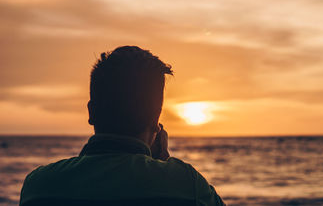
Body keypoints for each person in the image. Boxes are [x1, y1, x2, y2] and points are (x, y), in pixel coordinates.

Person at [19, 46, 225, 206]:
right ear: (156, 121)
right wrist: (163, 163)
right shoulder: (188, 187)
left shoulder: (38, 187)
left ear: (91, 112)